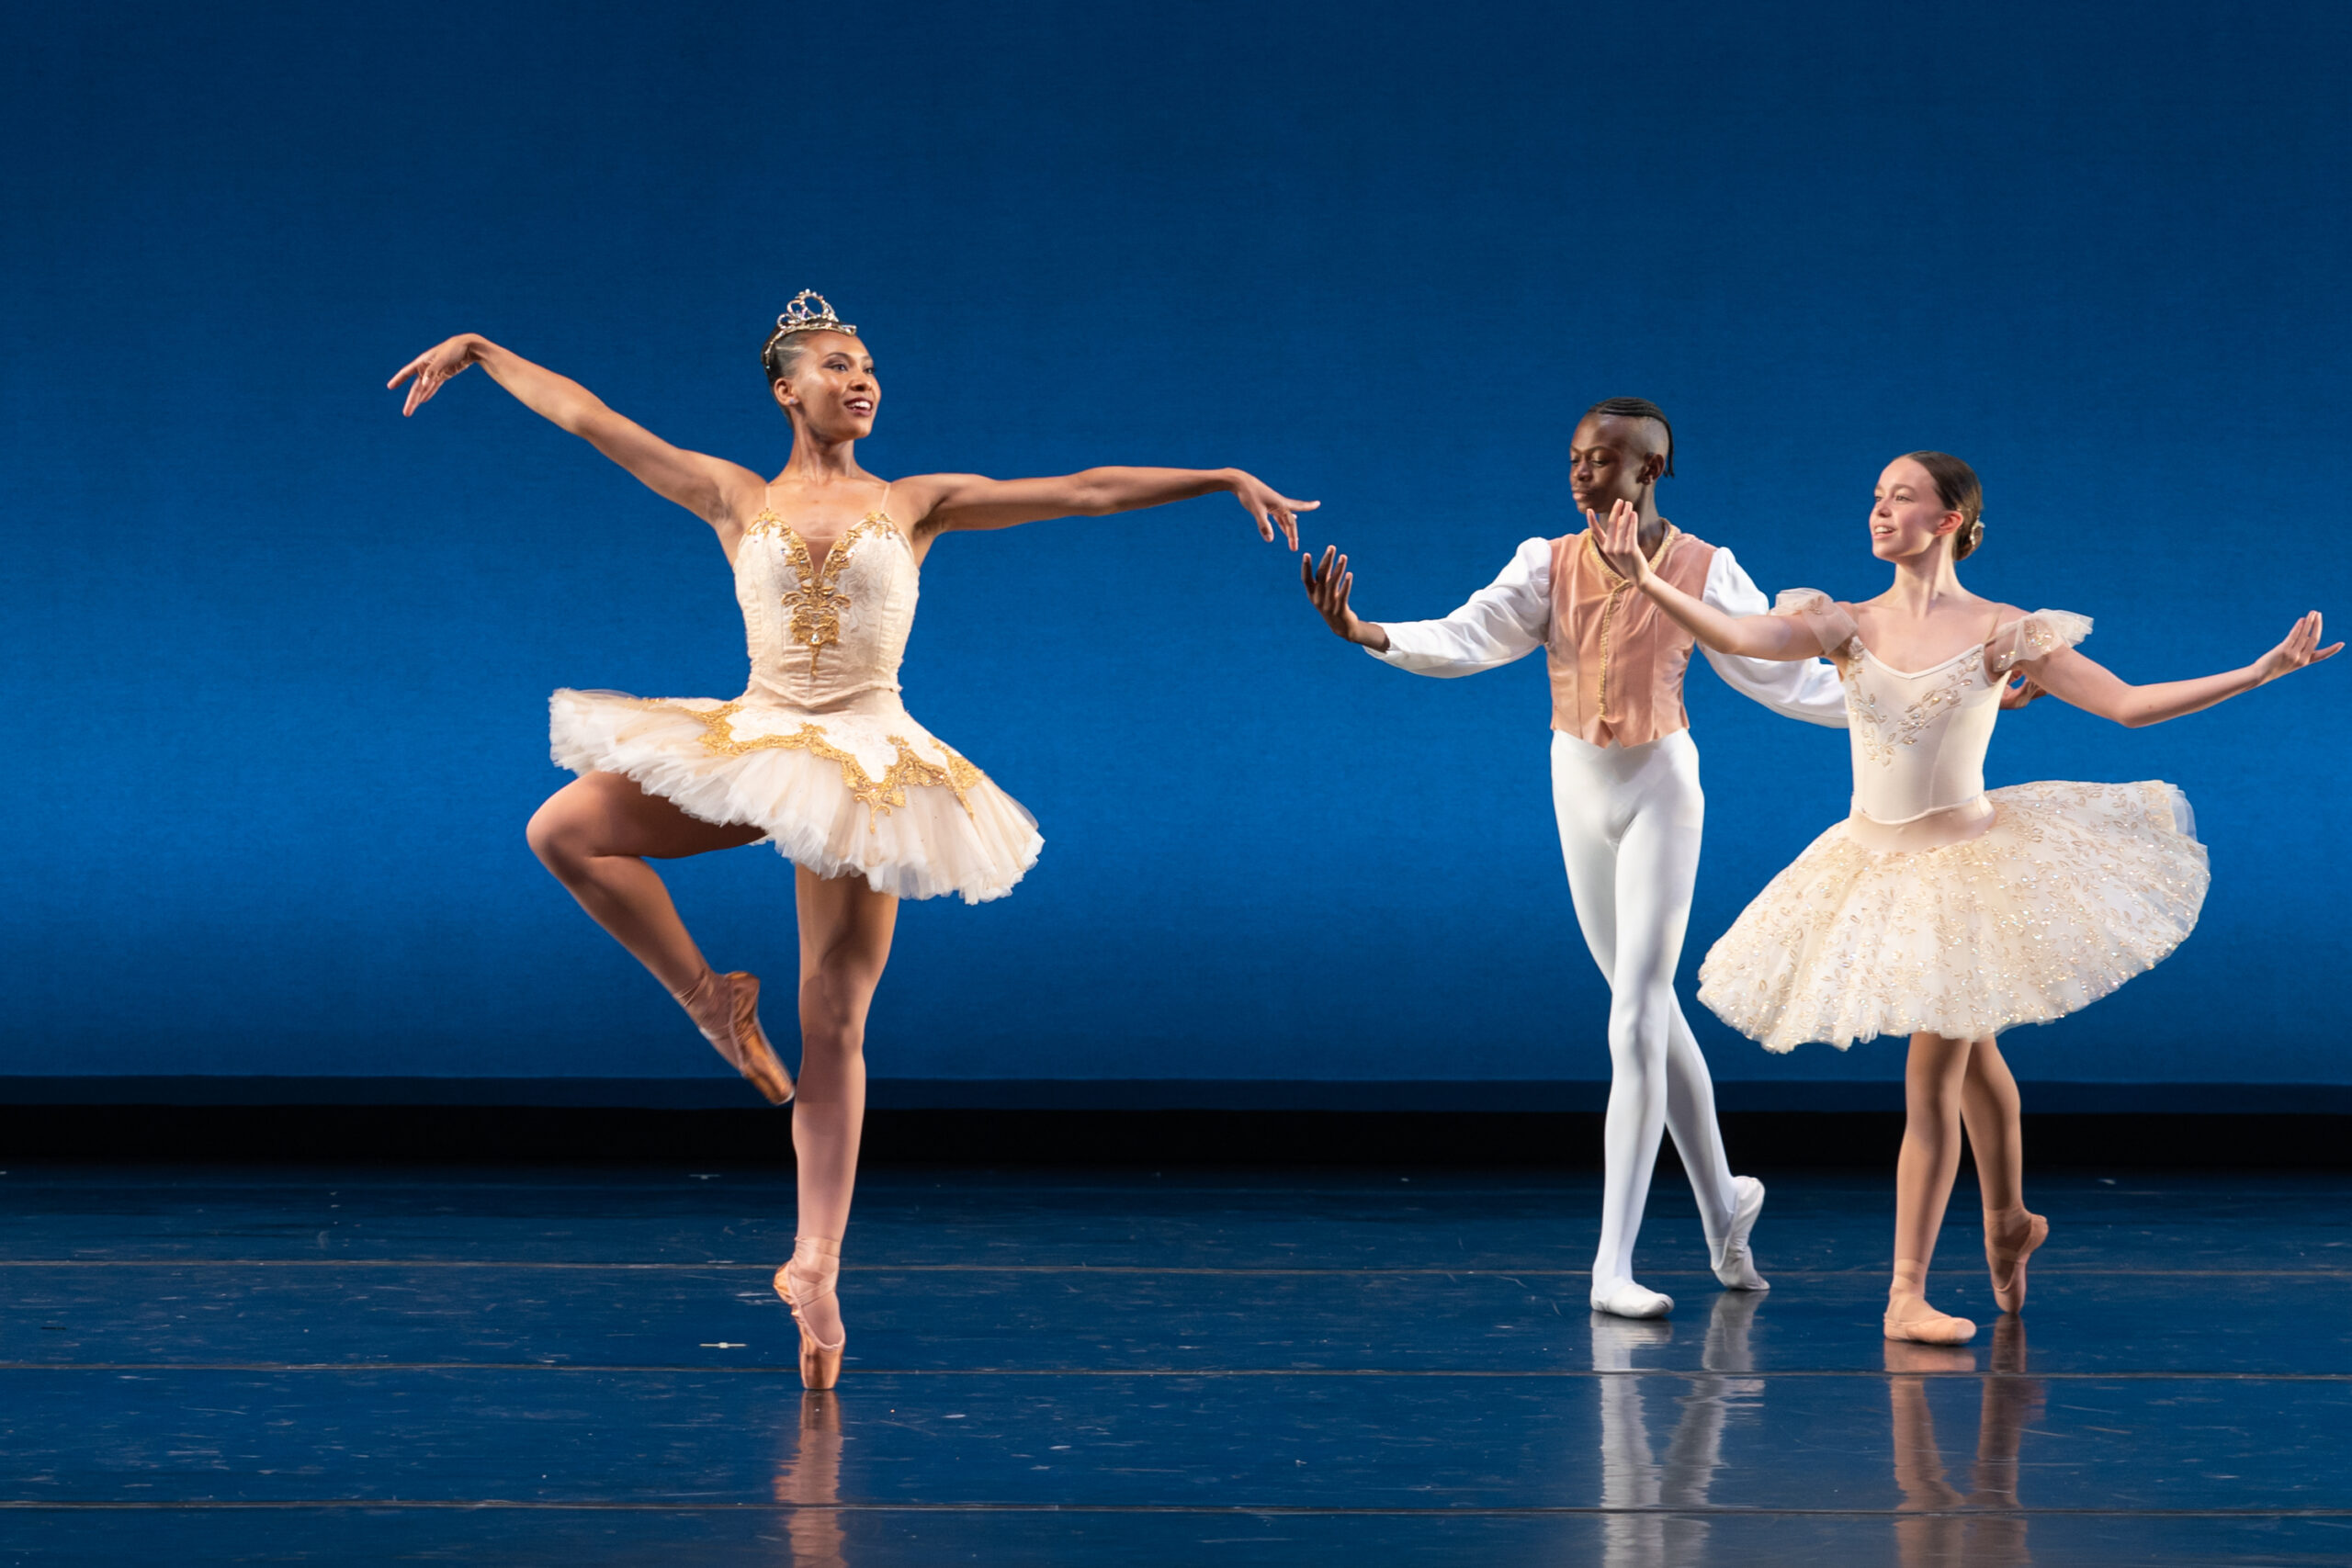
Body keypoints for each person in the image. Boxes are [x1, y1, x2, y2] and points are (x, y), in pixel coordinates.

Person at [388, 292, 1316, 1387]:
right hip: (757, 738)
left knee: (834, 1019)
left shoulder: (915, 503)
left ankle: (816, 1266)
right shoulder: (734, 495)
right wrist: (483, 351)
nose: (860, 377)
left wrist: (1216, 477)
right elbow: (595, 421)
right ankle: (710, 1002)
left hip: (869, 761)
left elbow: (1082, 489)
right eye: (836, 364)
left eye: (867, 363)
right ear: (786, 390)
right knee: (565, 829)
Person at [1594, 450, 2335, 1343]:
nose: (1879, 510)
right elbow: (1741, 635)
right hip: (1872, 864)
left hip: (1964, 870)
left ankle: (1905, 1291)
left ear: (1947, 520)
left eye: (1901, 497)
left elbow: (2129, 705)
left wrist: (2257, 672)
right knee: (1974, 1047)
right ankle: (2009, 1220)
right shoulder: (1842, 621)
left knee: (1932, 1074)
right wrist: (1647, 580)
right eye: (1875, 495)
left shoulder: (2002, 630)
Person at [1302, 397, 1863, 1319]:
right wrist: (1369, 631)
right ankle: (1725, 1203)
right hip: (1576, 785)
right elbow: (1469, 634)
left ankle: (1612, 1266)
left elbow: (1785, 678)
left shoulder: (1703, 568)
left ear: (1650, 469)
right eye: (1574, 456)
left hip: (1660, 788)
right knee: (1646, 1013)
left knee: (1634, 1016)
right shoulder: (1547, 562)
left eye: (1601, 459)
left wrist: (1919, 702)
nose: (1579, 472)